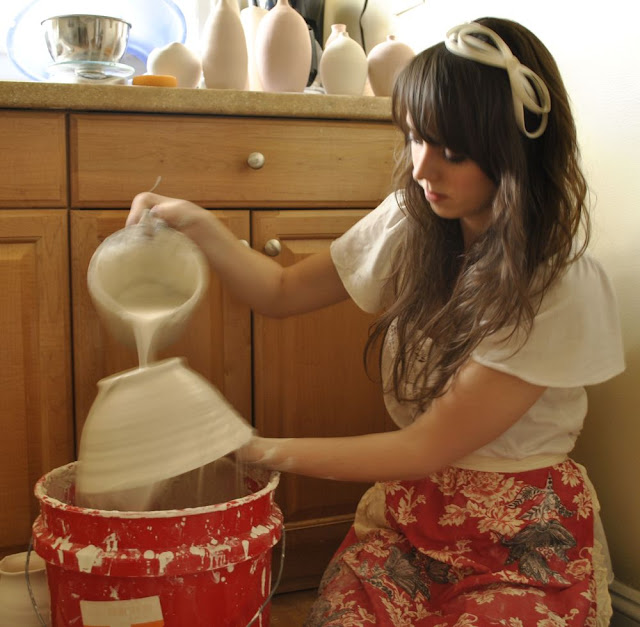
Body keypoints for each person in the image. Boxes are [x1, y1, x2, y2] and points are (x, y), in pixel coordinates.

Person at [127, 17, 625, 626]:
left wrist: (253, 449)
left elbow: (425, 446)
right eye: (415, 138)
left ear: (515, 152)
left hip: (520, 538)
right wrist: (195, 222)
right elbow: (280, 290)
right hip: (414, 519)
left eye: (452, 152)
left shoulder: (556, 285)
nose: (422, 169)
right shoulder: (414, 222)